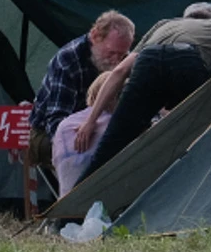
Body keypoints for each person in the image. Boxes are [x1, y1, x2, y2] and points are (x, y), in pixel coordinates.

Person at [78, 3, 211, 174]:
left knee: (115, 139)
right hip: (187, 61)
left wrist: (90, 121)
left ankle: (80, 195)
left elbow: (119, 72)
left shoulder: (163, 24)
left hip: (149, 59)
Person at [29, 10, 135, 149]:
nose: (116, 60)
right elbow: (56, 124)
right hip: (49, 131)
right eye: (111, 53)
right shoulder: (68, 62)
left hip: (95, 122)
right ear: (95, 36)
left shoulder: (123, 58)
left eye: (121, 54)